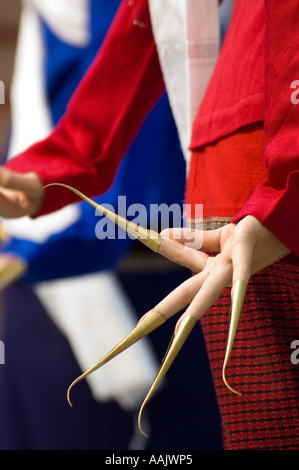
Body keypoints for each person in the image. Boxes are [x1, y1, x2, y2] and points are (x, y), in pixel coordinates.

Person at [0, 0, 298, 450]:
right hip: (222, 189)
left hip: (258, 185)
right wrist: (50, 171)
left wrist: (286, 191)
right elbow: (147, 28)